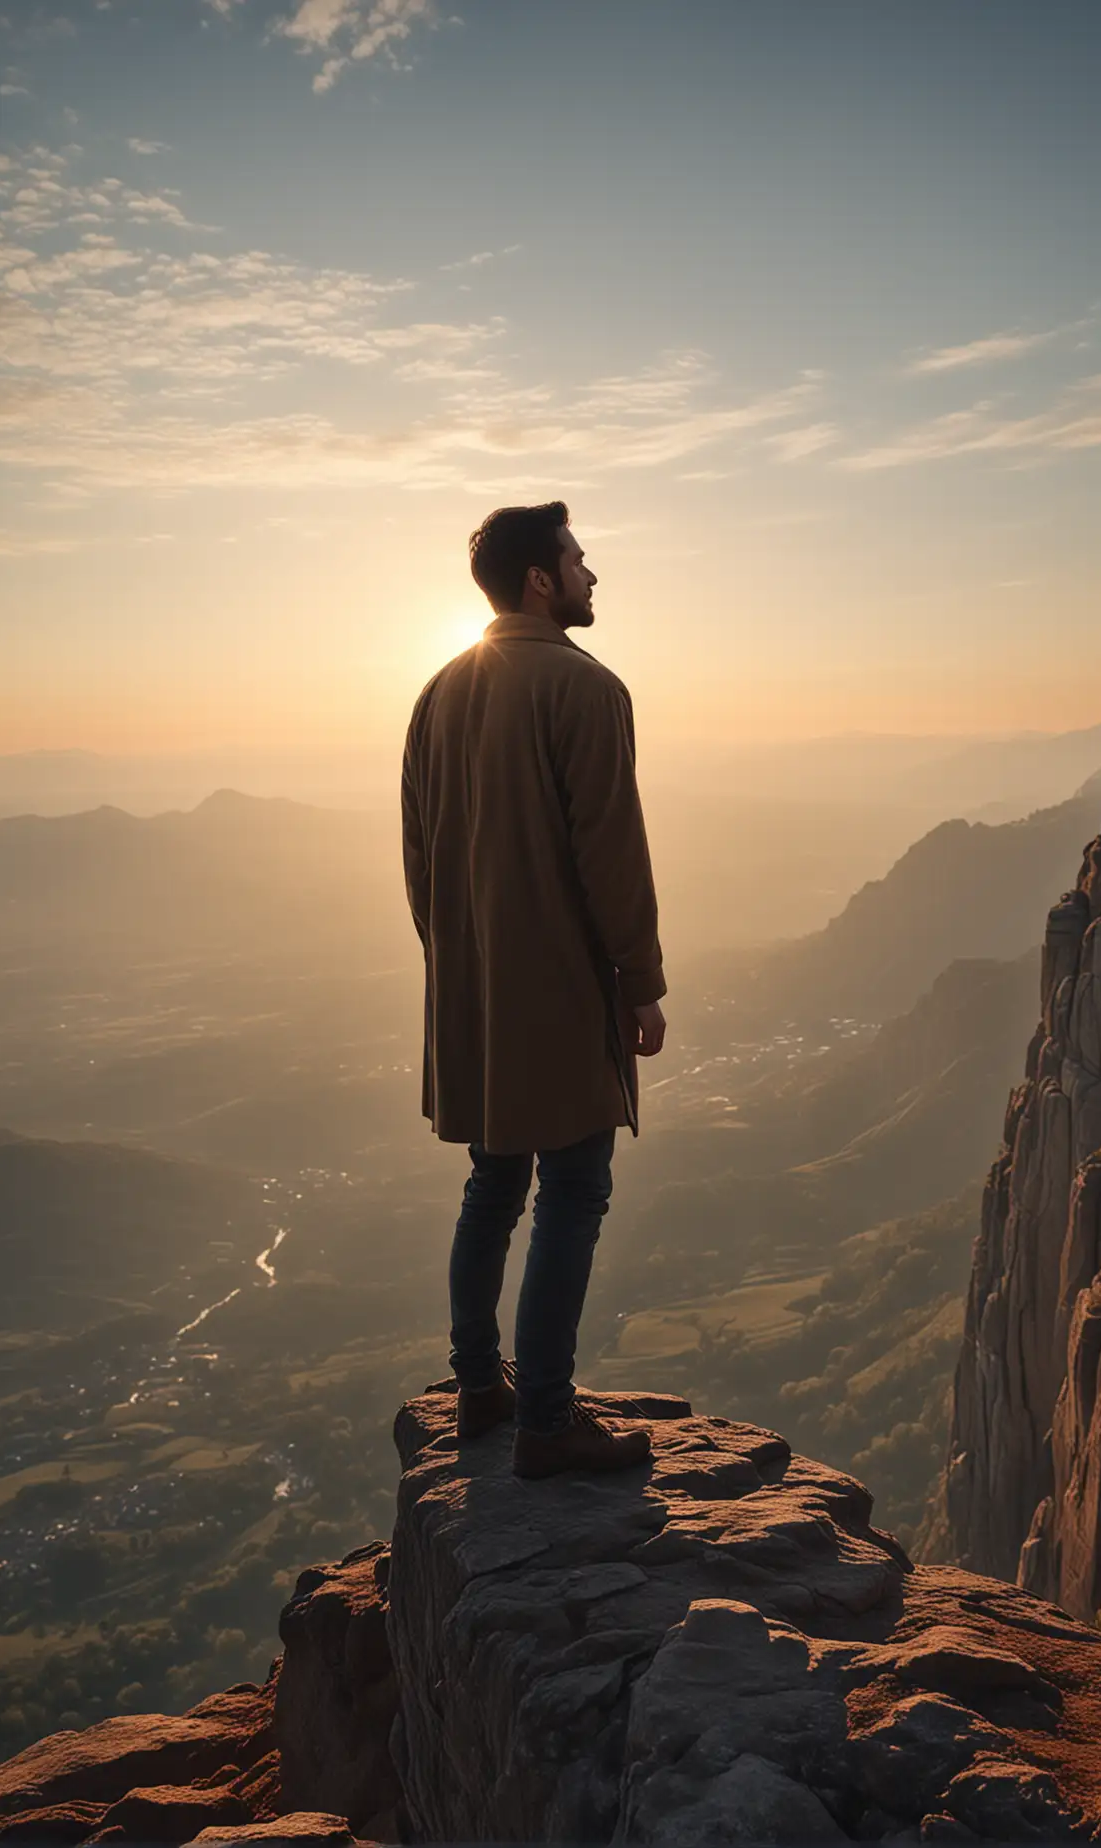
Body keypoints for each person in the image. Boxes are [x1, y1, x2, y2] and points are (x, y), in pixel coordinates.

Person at [400, 501, 667, 1478]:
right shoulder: (583, 688)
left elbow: (418, 860)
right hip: (559, 995)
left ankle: (482, 1390)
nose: (593, 575)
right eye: (579, 560)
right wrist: (640, 984)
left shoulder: (439, 694)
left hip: (474, 996)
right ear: (542, 580)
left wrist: (463, 964)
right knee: (573, 1193)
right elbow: (612, 855)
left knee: (493, 1183)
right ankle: (548, 1421)